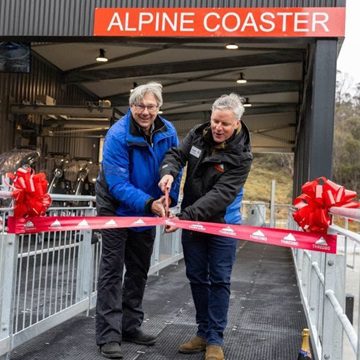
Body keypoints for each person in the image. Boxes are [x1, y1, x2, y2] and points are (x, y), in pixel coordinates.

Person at [158, 93, 253, 360]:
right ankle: (202, 332)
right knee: (197, 276)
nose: (218, 128)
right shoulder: (198, 135)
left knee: (219, 279)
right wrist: (168, 171)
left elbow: (220, 196)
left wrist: (183, 216)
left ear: (236, 124)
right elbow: (176, 154)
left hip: (223, 224)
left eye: (224, 123)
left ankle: (215, 339)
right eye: (214, 121)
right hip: (191, 220)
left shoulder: (242, 156)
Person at [95, 82, 180, 359]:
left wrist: (169, 202)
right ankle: (108, 335)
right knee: (111, 271)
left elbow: (174, 169)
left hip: (149, 207)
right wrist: (149, 203)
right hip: (116, 206)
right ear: (131, 106)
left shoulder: (168, 131)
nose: (145, 111)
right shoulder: (118, 135)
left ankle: (130, 326)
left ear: (159, 107)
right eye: (139, 106)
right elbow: (117, 183)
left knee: (139, 268)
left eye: (151, 106)